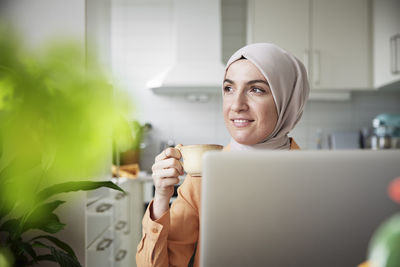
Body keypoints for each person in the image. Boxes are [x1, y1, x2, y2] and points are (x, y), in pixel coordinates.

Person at [136, 43, 310, 267]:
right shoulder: (203, 178)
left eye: (256, 89)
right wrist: (161, 198)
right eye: (229, 89)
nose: (236, 105)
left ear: (287, 100)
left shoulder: (315, 179)